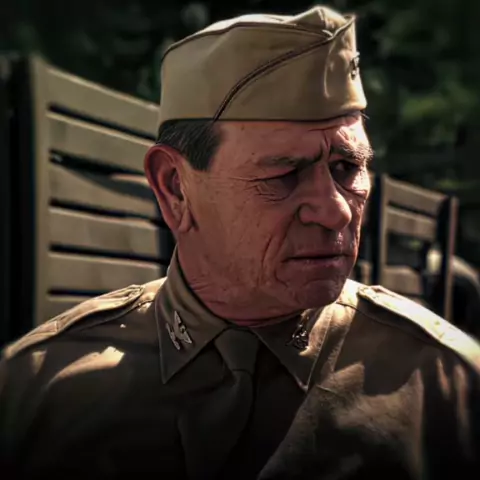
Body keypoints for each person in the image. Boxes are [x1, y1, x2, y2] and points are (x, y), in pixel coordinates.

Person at [1, 5, 479, 480]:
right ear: (175, 188)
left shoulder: (447, 389)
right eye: (285, 173)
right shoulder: (37, 395)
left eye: (346, 168)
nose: (336, 211)